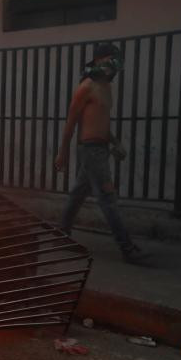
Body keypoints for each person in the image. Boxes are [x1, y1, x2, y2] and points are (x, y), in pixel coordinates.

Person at [54, 43, 146, 263]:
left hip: (100, 149)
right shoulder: (87, 86)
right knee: (107, 198)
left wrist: (115, 142)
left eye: (116, 59)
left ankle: (61, 236)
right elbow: (71, 122)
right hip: (91, 151)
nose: (114, 64)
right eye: (109, 58)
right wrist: (62, 152)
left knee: (78, 194)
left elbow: (102, 122)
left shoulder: (106, 87)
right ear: (98, 60)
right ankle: (127, 248)